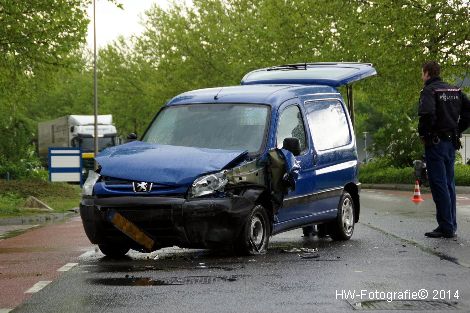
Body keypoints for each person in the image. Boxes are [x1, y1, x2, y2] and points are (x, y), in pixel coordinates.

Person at [418, 61, 470, 238]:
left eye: (422, 73)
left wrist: (424, 134)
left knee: (439, 184)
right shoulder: (455, 90)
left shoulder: (429, 91)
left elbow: (427, 114)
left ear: (426, 73)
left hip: (435, 143)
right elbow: (468, 113)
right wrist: (457, 129)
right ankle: (450, 224)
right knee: (449, 184)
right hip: (450, 143)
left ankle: (446, 226)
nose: (422, 76)